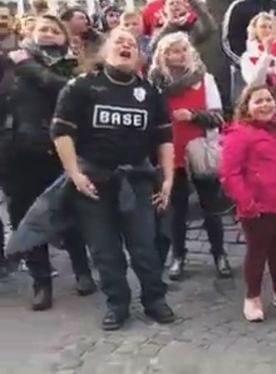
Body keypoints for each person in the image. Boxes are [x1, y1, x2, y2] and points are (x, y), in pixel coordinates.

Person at [50, 27, 176, 330]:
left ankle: (154, 300)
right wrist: (75, 174)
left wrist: (168, 178)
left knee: (145, 246)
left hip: (137, 180)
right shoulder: (81, 86)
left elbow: (165, 139)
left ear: (138, 55)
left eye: (132, 43)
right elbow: (61, 133)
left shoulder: (150, 93)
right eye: (119, 41)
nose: (126, 46)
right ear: (106, 51)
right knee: (105, 251)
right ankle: (117, 304)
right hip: (93, 182)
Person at [4, 16, 95, 310]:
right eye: (42, 29)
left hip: (58, 151)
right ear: (30, 32)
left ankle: (82, 270)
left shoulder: (71, 66)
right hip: (16, 152)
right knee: (24, 217)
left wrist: (27, 67)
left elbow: (66, 89)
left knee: (69, 211)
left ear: (64, 38)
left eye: (55, 31)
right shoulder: (8, 62)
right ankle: (41, 281)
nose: (48, 34)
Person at [220, 84, 276, 322]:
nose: (265, 105)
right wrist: (246, 203)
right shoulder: (239, 133)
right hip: (257, 207)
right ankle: (252, 297)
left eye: (269, 100)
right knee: (257, 253)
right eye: (258, 101)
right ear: (246, 107)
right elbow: (230, 173)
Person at [148, 32, 231, 280]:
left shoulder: (204, 79)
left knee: (211, 207)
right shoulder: (155, 85)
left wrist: (194, 115)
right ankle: (179, 255)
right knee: (177, 208)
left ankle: (219, 253)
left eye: (184, 49)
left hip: (200, 148)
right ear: (164, 56)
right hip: (169, 152)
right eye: (174, 51)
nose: (180, 55)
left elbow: (219, 117)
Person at [222, 0, 276, 105]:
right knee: (245, 107)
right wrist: (244, 62)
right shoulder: (238, 7)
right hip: (245, 70)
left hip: (273, 68)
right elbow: (228, 41)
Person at [240, 12, 276, 106]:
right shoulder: (248, 55)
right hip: (262, 103)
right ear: (255, 30)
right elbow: (254, 82)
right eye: (263, 27)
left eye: (271, 27)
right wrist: (266, 54)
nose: (267, 30)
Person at [149, 0, 216, 51]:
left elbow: (209, 28)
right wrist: (170, 25)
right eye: (171, 3)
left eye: (178, 2)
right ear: (165, 10)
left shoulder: (192, 26)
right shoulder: (160, 27)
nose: (175, 5)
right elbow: (152, 48)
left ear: (186, 7)